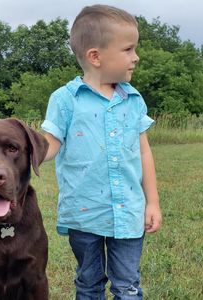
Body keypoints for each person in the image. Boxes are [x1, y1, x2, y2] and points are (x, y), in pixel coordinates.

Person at [41, 4, 162, 299]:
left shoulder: (133, 100)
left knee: (128, 285)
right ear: (95, 56)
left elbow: (144, 153)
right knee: (89, 282)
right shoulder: (65, 100)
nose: (136, 57)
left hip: (128, 211)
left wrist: (153, 202)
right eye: (128, 49)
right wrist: (16, 152)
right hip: (84, 215)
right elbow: (50, 145)